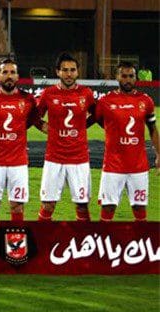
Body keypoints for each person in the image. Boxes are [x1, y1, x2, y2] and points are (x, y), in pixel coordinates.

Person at [0, 58, 46, 221]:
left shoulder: (28, 99)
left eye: (12, 72)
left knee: (17, 205)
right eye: (5, 72)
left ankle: (17, 238)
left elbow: (35, 122)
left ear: (17, 76)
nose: (9, 75)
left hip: (18, 162)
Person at [95, 62, 159, 222]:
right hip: (112, 166)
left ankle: (141, 238)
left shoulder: (146, 101)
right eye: (124, 76)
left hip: (138, 167)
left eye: (131, 76)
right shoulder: (105, 101)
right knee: (108, 208)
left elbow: (153, 129)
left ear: (135, 78)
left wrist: (159, 154)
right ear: (117, 77)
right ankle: (103, 238)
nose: (128, 79)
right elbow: (96, 120)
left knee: (139, 208)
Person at [37, 52, 96, 221]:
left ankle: (85, 237)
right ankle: (41, 236)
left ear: (77, 72)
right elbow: (35, 116)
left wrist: (83, 126)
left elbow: (96, 114)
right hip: (54, 158)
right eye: (65, 70)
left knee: (82, 205)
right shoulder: (48, 93)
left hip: (79, 158)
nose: (69, 74)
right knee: (48, 204)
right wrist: (43, 126)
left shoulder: (86, 93)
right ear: (58, 72)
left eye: (72, 70)